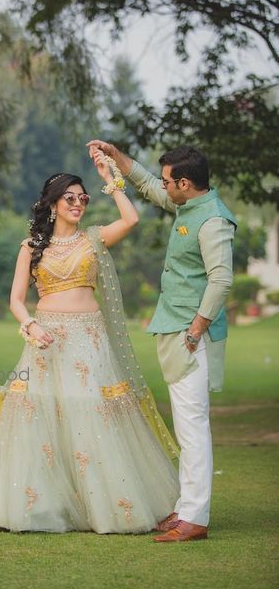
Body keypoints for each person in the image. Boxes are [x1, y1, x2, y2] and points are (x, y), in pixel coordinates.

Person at [0, 152, 180, 534]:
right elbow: (16, 300)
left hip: (89, 338)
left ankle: (109, 509)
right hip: (46, 339)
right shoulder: (32, 246)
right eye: (71, 198)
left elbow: (130, 219)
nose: (79, 203)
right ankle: (38, 508)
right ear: (52, 204)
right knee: (39, 418)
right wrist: (30, 326)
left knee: (93, 414)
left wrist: (112, 179)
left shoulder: (95, 238)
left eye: (83, 198)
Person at [87, 140, 236, 542]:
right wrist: (118, 159)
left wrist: (196, 328)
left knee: (192, 428)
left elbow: (221, 279)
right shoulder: (189, 206)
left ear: (185, 183)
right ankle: (186, 509)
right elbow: (150, 185)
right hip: (176, 331)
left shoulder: (213, 220)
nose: (163, 186)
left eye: (170, 180)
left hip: (191, 335)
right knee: (185, 426)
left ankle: (195, 519)